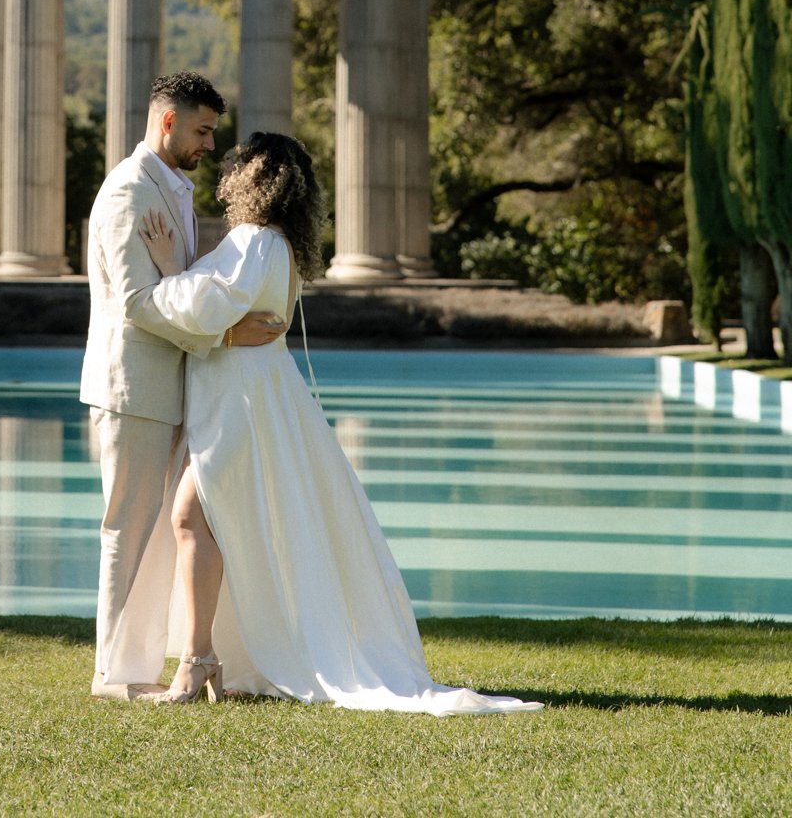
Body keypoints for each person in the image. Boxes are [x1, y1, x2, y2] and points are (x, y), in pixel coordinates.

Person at [137, 131, 543, 714]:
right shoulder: (277, 246)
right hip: (257, 398)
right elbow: (223, 310)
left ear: (253, 178)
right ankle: (207, 655)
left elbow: (204, 306)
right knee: (209, 522)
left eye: (237, 166)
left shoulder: (253, 240)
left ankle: (197, 662)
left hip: (243, 402)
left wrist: (167, 267)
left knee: (191, 518)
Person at [80, 72, 288, 700]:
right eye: (200, 130)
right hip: (133, 386)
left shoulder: (174, 187)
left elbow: (182, 287)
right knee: (128, 529)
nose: (207, 144)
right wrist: (224, 338)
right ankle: (115, 676)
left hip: (176, 385)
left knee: (169, 533)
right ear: (167, 121)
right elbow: (138, 303)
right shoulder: (127, 192)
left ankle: (168, 661)